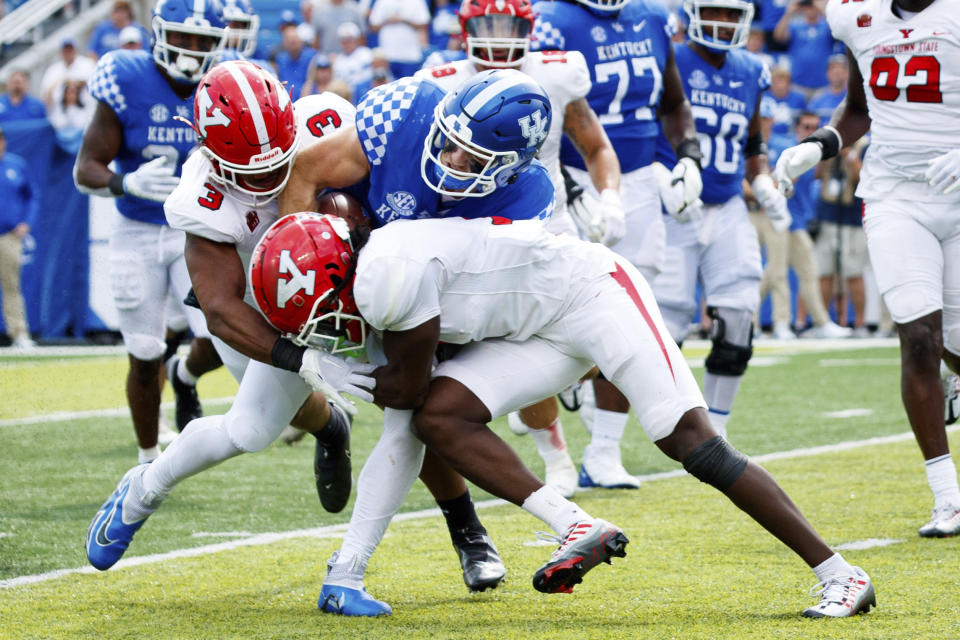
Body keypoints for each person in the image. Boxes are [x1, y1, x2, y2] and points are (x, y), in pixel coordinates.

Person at [252, 208, 876, 619]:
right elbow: (418, 400)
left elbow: (406, 384)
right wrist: (331, 370)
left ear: (340, 278)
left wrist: (331, 374)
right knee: (439, 419)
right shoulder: (373, 260)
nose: (328, 332)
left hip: (594, 293)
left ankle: (841, 574)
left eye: (322, 315)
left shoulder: (385, 277)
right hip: (536, 328)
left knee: (691, 443)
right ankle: (575, 526)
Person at [276, 69, 566, 615]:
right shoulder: (405, 111)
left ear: (510, 170)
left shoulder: (529, 202)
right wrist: (304, 259)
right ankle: (463, 534)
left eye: (473, 160)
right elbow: (309, 168)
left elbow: (483, 300)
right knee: (266, 425)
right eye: (450, 146)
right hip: (355, 273)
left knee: (417, 407)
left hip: (448, 301)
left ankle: (449, 538)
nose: (453, 164)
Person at [84, 62, 363, 574]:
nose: (269, 177)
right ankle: (143, 489)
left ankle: (454, 533)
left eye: (279, 162)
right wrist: (296, 357)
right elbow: (220, 309)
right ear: (209, 151)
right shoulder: (201, 196)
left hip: (343, 285)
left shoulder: (330, 121)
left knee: (415, 392)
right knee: (254, 429)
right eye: (251, 170)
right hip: (257, 305)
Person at [414, 0, 624, 498]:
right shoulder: (443, 81)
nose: (498, 38)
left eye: (508, 26)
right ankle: (556, 459)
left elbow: (595, 146)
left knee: (596, 344)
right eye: (487, 26)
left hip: (549, 223)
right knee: (513, 347)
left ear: (530, 29)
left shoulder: (555, 74)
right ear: (465, 30)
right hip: (480, 228)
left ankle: (549, 398)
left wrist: (611, 199)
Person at [775, 0, 960, 537]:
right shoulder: (856, 17)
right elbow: (858, 107)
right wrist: (817, 145)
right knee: (918, 335)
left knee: (953, 340)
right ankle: (947, 496)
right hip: (894, 192)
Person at [531, 0, 704, 490]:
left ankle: (604, 451)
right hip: (566, 175)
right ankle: (554, 396)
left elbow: (672, 102)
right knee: (561, 309)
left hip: (637, 179)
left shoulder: (651, 17)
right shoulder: (552, 21)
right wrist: (569, 181)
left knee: (629, 311)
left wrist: (686, 156)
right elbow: (533, 110)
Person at [73, 0, 227, 460]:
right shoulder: (125, 76)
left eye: (204, 41)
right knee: (143, 353)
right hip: (137, 230)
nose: (194, 50)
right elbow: (86, 169)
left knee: (221, 336)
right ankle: (147, 461)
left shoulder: (222, 87)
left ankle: (183, 376)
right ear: (159, 34)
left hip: (195, 232)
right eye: (184, 37)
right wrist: (126, 182)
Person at [648, 0, 791, 440]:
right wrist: (657, 177)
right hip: (673, 206)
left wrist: (763, 180)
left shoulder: (751, 68)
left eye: (732, 14)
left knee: (739, 318)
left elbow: (752, 142)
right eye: (715, 11)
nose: (723, 21)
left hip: (728, 205)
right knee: (665, 327)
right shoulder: (668, 57)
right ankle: (654, 427)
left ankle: (717, 432)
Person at [760, 111, 851, 339]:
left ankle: (821, 322)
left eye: (814, 128)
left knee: (809, 270)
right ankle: (777, 322)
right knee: (776, 272)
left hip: (798, 219)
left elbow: (817, 178)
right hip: (778, 216)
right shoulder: (786, 148)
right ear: (797, 128)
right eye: (806, 127)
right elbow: (773, 178)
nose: (810, 132)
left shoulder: (815, 152)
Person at [815, 134, 869, 335]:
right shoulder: (831, 144)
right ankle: (823, 322)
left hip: (851, 218)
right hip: (828, 214)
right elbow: (818, 175)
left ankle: (861, 324)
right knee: (824, 273)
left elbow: (863, 177)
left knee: (853, 273)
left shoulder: (864, 145)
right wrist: (827, 154)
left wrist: (849, 154)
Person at [0, 125, 38, 349]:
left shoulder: (16, 166)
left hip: (8, 237)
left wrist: (27, 223)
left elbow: (33, 196)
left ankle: (19, 334)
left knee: (12, 286)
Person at [771, 0, 836, 97]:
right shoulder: (795, 26)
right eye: (807, 7)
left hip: (823, 84)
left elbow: (839, 31)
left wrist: (822, 9)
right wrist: (788, 13)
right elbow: (778, 36)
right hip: (797, 84)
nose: (810, 10)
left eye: (812, 7)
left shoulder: (826, 26)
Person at [367, 0, 430, 79]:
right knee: (388, 88)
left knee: (409, 87)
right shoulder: (382, 2)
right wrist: (388, 20)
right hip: (387, 56)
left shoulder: (416, 2)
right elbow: (373, 27)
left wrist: (403, 20)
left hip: (410, 56)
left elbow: (424, 24)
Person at [40, 38, 96, 108]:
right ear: (61, 52)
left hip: (85, 113)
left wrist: (71, 82)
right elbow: (45, 97)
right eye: (65, 50)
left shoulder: (88, 65)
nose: (68, 53)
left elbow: (95, 87)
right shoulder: (52, 70)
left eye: (70, 50)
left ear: (76, 50)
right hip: (59, 115)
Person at [271, 17, 317, 98]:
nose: (292, 43)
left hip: (307, 98)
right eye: (289, 41)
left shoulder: (311, 56)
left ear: (301, 41)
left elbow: (311, 81)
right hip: (285, 98)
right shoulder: (280, 59)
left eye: (294, 40)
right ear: (284, 43)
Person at [331, 21, 373, 103]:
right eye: (344, 41)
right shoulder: (337, 60)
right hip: (346, 97)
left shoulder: (367, 54)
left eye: (349, 40)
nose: (347, 44)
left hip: (365, 94)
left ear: (357, 39)